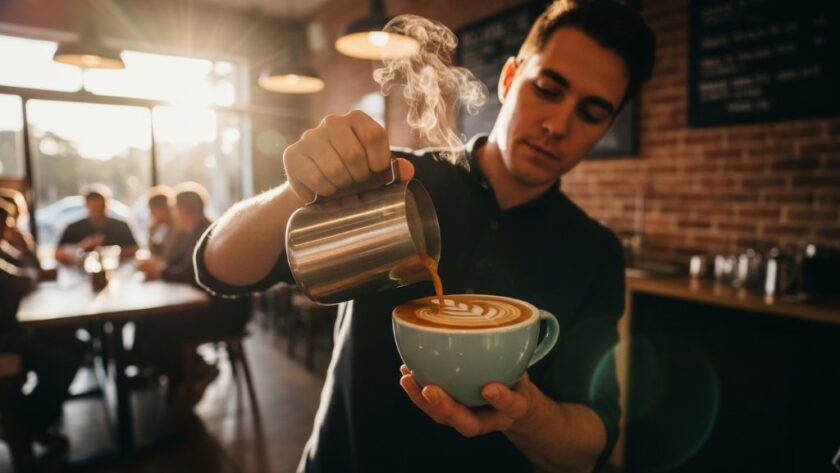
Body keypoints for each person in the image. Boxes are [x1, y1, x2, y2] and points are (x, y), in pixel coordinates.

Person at [197, 0, 655, 471]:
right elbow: (220, 267)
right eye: (547, 89)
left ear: (608, 127)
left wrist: (526, 414)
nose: (557, 126)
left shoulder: (594, 252)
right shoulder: (392, 180)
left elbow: (589, 445)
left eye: (591, 113)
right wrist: (295, 191)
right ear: (509, 78)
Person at [136, 183, 246, 405]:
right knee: (148, 322)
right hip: (214, 305)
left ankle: (192, 372)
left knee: (159, 328)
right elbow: (178, 263)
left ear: (182, 209)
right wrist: (160, 269)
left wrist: (159, 271)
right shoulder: (197, 229)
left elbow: (188, 272)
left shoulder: (206, 232)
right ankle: (177, 374)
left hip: (225, 314)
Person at [0, 199, 80, 459]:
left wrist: (26, 250)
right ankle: (28, 425)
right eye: (7, 222)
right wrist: (25, 251)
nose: (11, 226)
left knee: (75, 343)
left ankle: (31, 421)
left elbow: (35, 274)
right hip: (5, 344)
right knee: (64, 361)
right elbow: (27, 279)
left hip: (12, 330)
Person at [55, 184, 138, 265]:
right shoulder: (74, 228)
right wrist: (83, 246)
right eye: (94, 208)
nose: (97, 212)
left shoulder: (121, 226)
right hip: (79, 273)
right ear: (87, 206)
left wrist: (109, 252)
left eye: (100, 207)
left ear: (107, 205)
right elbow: (58, 253)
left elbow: (135, 249)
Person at [145, 185, 187, 261]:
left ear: (162, 209)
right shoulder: (165, 228)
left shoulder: (179, 228)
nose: (151, 215)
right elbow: (156, 254)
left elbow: (166, 258)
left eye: (152, 210)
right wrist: (151, 232)